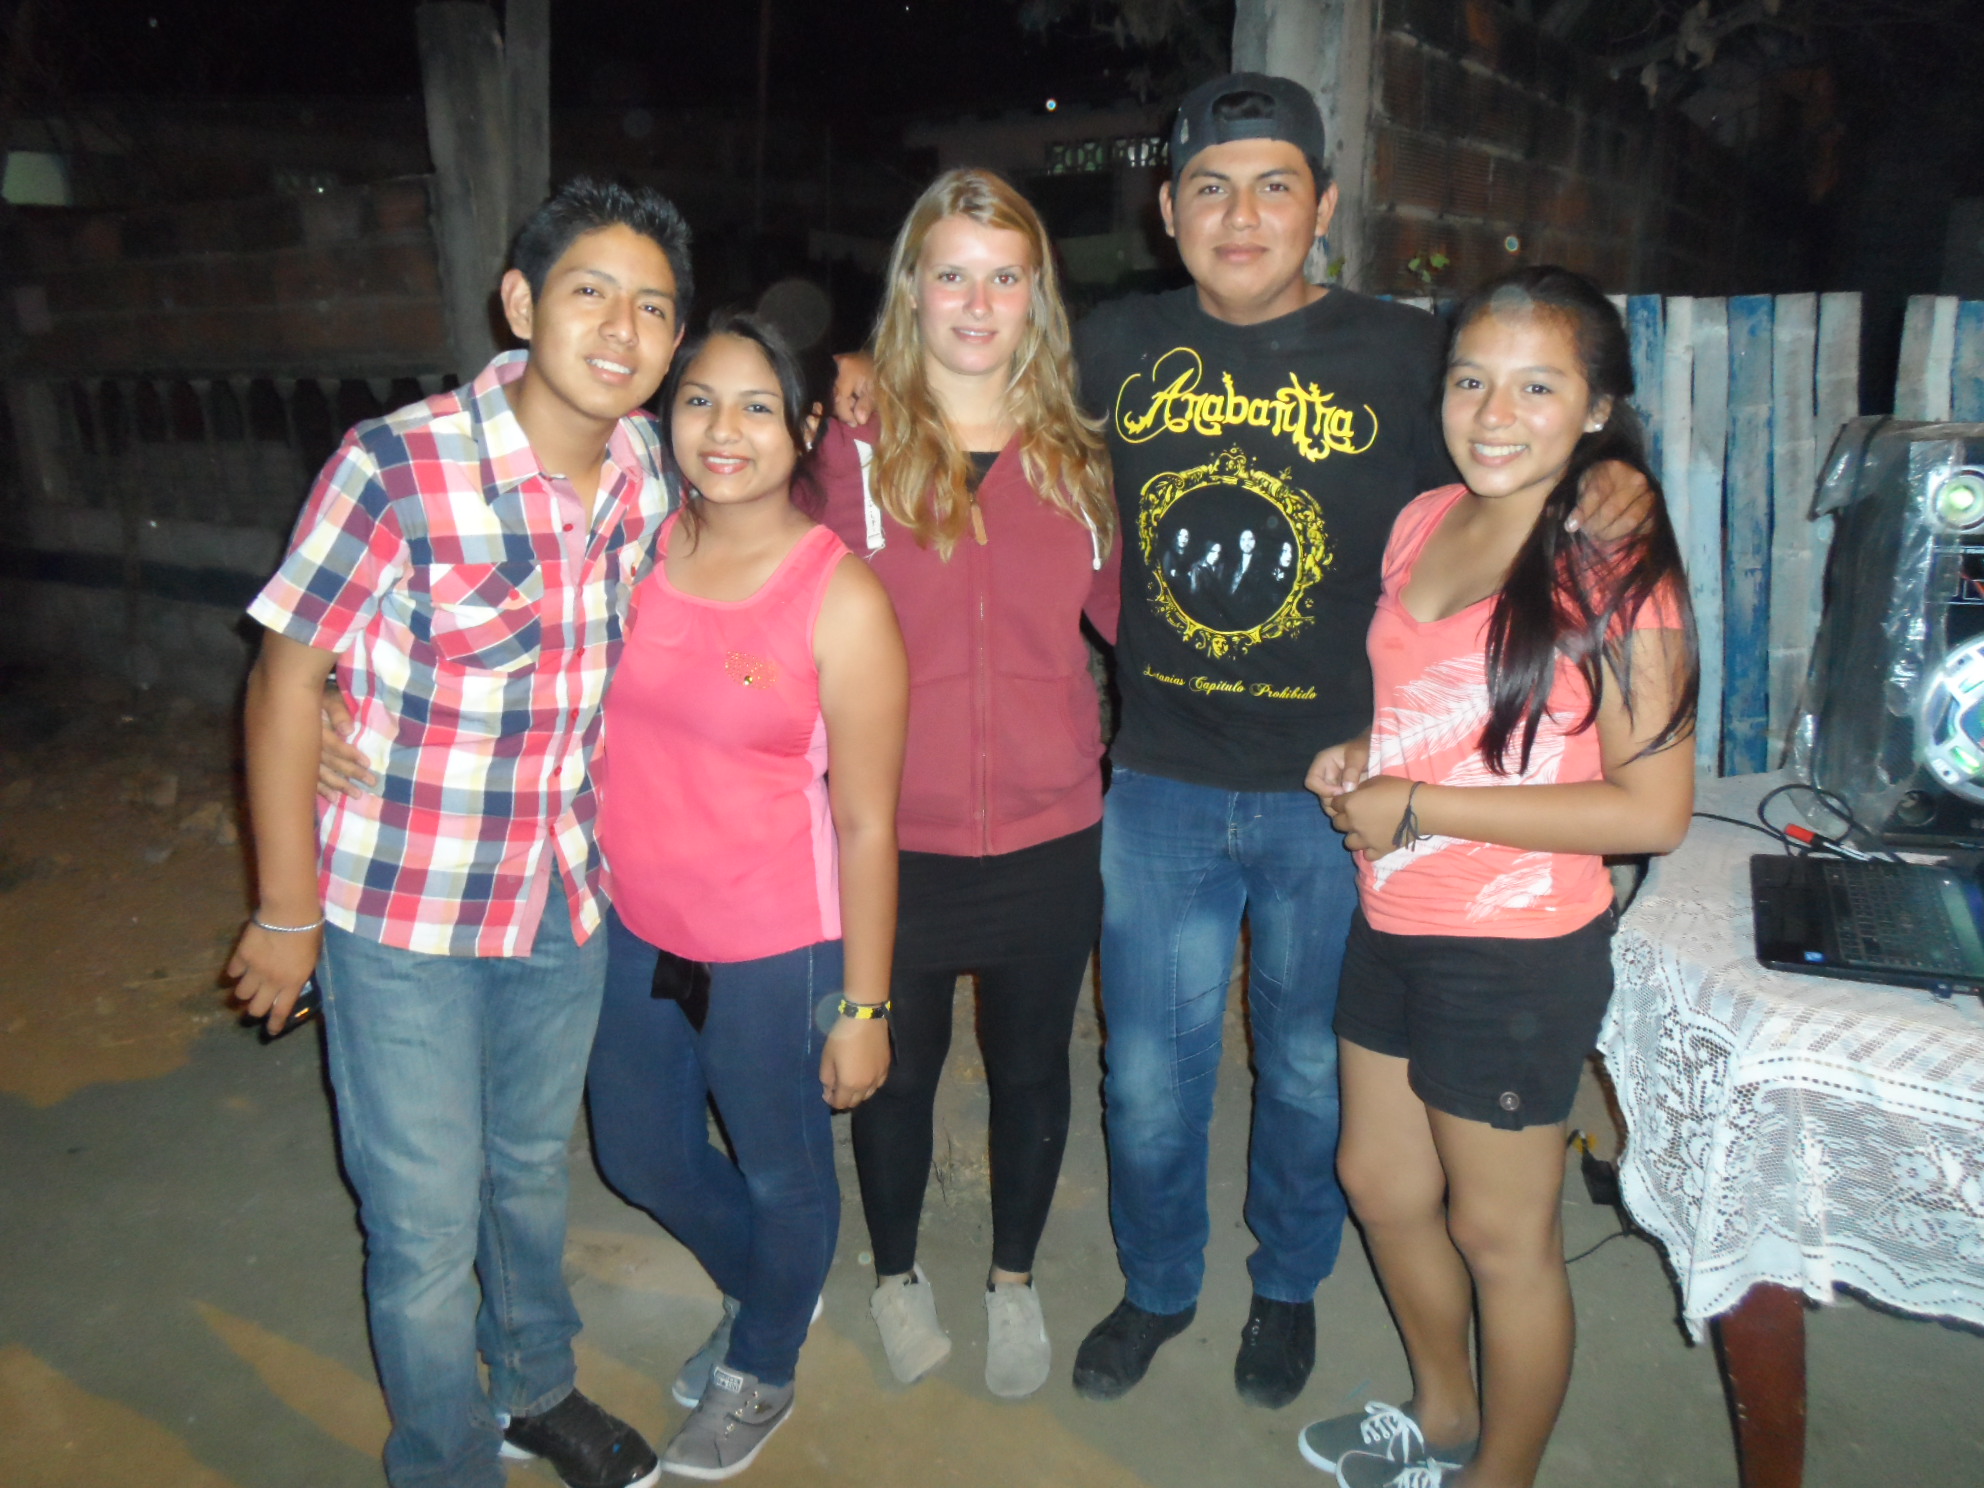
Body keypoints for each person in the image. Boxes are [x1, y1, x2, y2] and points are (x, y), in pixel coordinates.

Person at [835, 73, 1648, 1412]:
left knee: (1311, 1072)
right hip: (1158, 781)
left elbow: (1523, 442)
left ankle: (1287, 1285)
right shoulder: (1111, 346)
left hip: (1337, 794)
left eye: (1276, 186)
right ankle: (1159, 1286)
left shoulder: (1406, 354)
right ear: (1167, 210)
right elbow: (973, 369)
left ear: (1323, 207)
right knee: (1148, 1081)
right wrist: (854, 372)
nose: (1242, 215)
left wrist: (1613, 475)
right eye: (1210, 188)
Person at [230, 178, 690, 1488]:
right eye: (591, 292)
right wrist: (285, 912)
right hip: (404, 910)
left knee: (529, 1172)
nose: (622, 330)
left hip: (562, 890)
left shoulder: (649, 468)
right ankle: (441, 1460)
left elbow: (771, 480)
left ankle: (535, 1387)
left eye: (654, 307)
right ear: (521, 303)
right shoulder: (397, 464)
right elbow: (284, 679)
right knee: (425, 1222)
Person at [1300, 266, 1696, 1488]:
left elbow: (1652, 810)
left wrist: (1419, 806)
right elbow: (1436, 704)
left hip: (1516, 948)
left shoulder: (1615, 560)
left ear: (1596, 407)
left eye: (1537, 387)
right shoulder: (1424, 517)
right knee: (1378, 1181)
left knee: (1500, 1234)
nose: (1493, 413)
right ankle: (1443, 1412)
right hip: (1391, 913)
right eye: (1471, 380)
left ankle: (1500, 1477)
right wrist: (1368, 756)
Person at [803, 167, 1120, 1399]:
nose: (978, 303)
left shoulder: (1080, 458)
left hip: (1051, 831)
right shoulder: (849, 447)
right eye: (951, 275)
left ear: (1037, 295)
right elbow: (747, 574)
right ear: (912, 290)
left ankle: (1013, 1281)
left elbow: (1142, 626)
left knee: (1036, 1070)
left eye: (1004, 276)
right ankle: (894, 1276)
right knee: (895, 1070)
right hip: (894, 840)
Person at [584, 312, 908, 1480]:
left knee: (783, 1172)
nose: (724, 430)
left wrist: (864, 1008)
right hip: (636, 925)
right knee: (640, 1156)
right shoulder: (635, 549)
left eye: (757, 406)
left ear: (805, 427)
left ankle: (761, 1360)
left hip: (776, 944)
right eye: (699, 401)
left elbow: (868, 823)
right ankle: (776, 1287)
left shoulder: (840, 597)